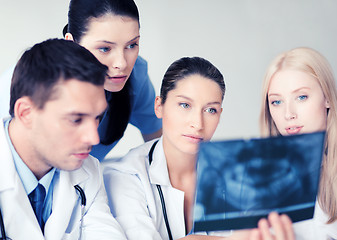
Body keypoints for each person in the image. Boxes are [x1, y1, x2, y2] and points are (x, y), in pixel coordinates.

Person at [103, 56, 295, 240]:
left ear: (220, 114)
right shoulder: (124, 175)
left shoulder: (244, 173)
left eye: (210, 110)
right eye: (185, 105)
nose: (198, 123)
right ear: (159, 106)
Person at [0, 0, 162, 161]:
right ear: (71, 42)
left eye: (132, 45)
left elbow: (161, 147)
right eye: (104, 48)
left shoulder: (135, 75)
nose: (121, 64)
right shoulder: (25, 82)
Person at [0, 38, 125, 239]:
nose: (94, 138)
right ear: (25, 113)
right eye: (76, 120)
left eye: (97, 118)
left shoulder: (88, 171)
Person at [259, 47, 337, 239]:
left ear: (327, 98)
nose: (289, 114)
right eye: (276, 102)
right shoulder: (261, 171)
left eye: (301, 97)